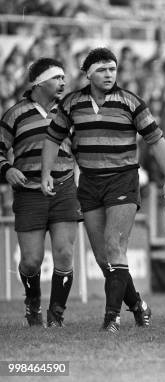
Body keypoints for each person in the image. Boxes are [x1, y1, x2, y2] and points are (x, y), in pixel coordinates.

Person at [41, 47, 165, 333]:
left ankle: (111, 318)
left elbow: (156, 140)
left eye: (112, 69)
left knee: (115, 246)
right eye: (102, 70)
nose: (109, 74)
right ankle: (138, 305)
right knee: (104, 258)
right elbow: (53, 139)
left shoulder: (131, 102)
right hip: (88, 183)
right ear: (87, 73)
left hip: (123, 179)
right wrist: (45, 173)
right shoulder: (72, 103)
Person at [0, 58, 80, 327]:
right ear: (39, 82)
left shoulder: (69, 112)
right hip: (29, 192)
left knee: (65, 254)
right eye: (57, 77)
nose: (63, 82)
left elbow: (82, 146)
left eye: (63, 77)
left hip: (64, 188)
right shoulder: (14, 114)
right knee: (31, 261)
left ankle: (56, 314)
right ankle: (32, 302)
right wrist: (7, 170)